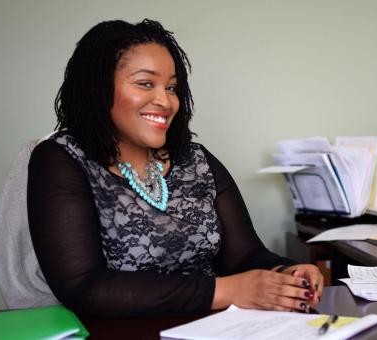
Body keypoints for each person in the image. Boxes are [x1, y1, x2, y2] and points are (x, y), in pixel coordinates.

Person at [27, 19, 324, 318]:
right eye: (145, 83)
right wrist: (226, 290)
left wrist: (287, 273)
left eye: (171, 87)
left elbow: (244, 256)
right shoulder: (60, 159)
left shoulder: (195, 160)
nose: (165, 100)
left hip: (215, 329)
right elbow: (83, 287)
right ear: (98, 88)